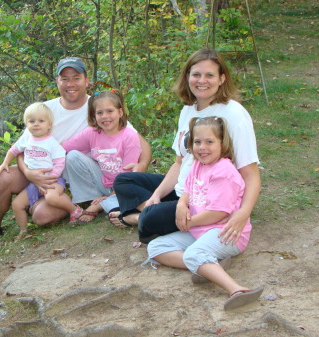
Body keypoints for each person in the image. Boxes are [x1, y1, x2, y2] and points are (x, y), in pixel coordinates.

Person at [0, 57, 151, 241]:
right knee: (1, 177)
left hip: (69, 176)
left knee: (41, 216)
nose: (70, 84)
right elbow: (21, 148)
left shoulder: (100, 107)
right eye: (64, 79)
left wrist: (141, 167)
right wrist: (28, 173)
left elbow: (141, 143)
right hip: (39, 168)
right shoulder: (45, 110)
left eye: (76, 77)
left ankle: (55, 203)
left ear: (86, 80)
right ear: (57, 82)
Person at [110, 48, 260, 246]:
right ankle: (155, 209)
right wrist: (156, 195)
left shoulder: (234, 114)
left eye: (209, 75)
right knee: (123, 180)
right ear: (187, 76)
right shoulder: (188, 110)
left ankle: (138, 217)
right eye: (196, 74)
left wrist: (243, 213)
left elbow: (251, 173)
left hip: (207, 198)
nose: (201, 81)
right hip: (184, 189)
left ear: (222, 79)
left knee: (149, 218)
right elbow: (180, 162)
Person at [146, 116, 263, 310]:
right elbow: (188, 190)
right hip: (201, 230)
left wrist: (189, 223)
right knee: (156, 247)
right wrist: (181, 204)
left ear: (222, 143)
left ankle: (236, 289)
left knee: (194, 253)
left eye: (209, 142)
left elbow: (218, 213)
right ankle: (209, 266)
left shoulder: (223, 172)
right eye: (197, 142)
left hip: (227, 232)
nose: (202, 147)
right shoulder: (198, 165)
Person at [0, 103, 83, 240]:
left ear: (49, 125)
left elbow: (60, 162)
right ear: (26, 124)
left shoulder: (52, 143)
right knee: (17, 204)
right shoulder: (26, 139)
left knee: (51, 197)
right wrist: (5, 163)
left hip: (53, 179)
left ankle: (74, 210)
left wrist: (51, 178)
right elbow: (14, 150)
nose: (36, 124)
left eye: (41, 121)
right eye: (31, 121)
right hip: (34, 182)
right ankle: (23, 231)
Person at [62, 89, 141, 222]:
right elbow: (64, 148)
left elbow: (129, 175)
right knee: (72, 156)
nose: (105, 116)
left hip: (124, 185)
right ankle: (94, 199)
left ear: (120, 112)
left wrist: (112, 194)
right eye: (100, 113)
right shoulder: (91, 132)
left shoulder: (129, 136)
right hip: (103, 181)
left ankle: (101, 205)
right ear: (94, 116)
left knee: (128, 201)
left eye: (110, 111)